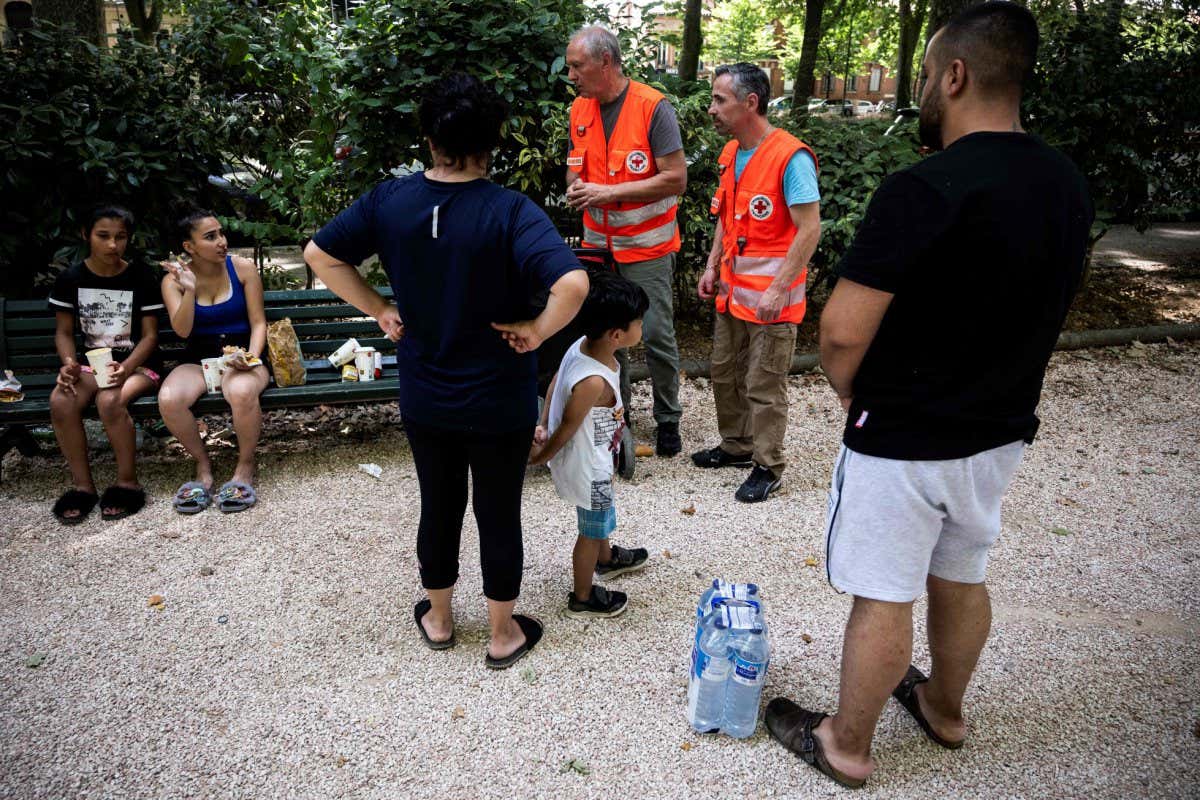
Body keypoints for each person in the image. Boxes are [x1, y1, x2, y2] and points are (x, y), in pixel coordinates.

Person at [764, 3, 1093, 788]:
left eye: (923, 75)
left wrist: (855, 393)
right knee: (962, 570)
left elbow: (842, 332)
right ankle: (944, 706)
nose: (921, 90)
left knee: (884, 588)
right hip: (1001, 428)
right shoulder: (1066, 183)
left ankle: (846, 741)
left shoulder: (925, 186)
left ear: (955, 74)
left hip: (905, 431)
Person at [304, 74, 589, 670]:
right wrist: (536, 332)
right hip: (498, 397)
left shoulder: (390, 200)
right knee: (498, 508)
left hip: (426, 392)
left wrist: (380, 308)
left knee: (438, 504)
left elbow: (320, 255)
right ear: (493, 141)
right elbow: (573, 283)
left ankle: (438, 618)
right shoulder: (511, 210)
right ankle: (501, 633)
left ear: (429, 137)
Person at [691, 63, 821, 503]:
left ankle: (767, 466)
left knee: (764, 385)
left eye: (718, 100)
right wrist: (711, 266)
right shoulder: (731, 154)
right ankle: (735, 446)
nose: (711, 109)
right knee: (724, 374)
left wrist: (777, 288)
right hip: (732, 296)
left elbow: (809, 230)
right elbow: (727, 221)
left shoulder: (790, 157)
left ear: (750, 103)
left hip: (771, 303)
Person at [564, 25, 687, 456]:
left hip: (647, 247)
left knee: (655, 334)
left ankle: (668, 419)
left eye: (577, 66)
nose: (571, 75)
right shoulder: (579, 110)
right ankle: (620, 414)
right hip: (600, 246)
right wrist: (577, 187)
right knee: (608, 333)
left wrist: (609, 193)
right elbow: (575, 169)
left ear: (605, 62)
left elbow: (676, 179)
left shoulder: (654, 108)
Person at [531, 271, 651, 619]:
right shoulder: (594, 381)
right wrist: (541, 454)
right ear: (617, 334)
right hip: (592, 470)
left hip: (597, 457)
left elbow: (554, 382)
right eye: (638, 323)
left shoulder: (581, 345)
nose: (641, 328)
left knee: (599, 520)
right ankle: (583, 596)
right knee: (591, 527)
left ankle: (607, 557)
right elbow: (569, 425)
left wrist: (540, 423)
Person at [48, 205, 163, 523]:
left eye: (121, 237)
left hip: (139, 365)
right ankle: (83, 488)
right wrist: (69, 365)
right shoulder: (70, 279)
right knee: (61, 400)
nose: (113, 245)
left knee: (110, 400)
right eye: (103, 236)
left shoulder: (140, 276)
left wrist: (126, 368)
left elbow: (151, 336)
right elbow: (63, 332)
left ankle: (127, 482)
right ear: (86, 235)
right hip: (91, 365)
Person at [158, 211, 270, 514]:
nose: (222, 242)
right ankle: (203, 466)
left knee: (242, 391)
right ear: (189, 246)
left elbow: (259, 323)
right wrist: (190, 288)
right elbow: (182, 331)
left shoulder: (243, 268)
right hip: (199, 357)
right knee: (170, 399)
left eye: (221, 233)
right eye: (210, 237)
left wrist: (251, 358)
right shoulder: (173, 281)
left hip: (244, 354)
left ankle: (245, 466)